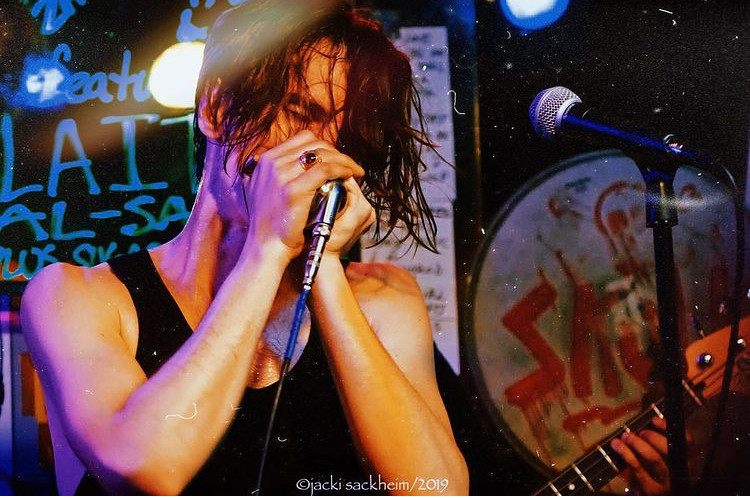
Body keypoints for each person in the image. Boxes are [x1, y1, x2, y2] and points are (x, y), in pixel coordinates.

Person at [20, 0, 469, 494]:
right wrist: (267, 249)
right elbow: (144, 469)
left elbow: (438, 491)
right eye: (300, 115)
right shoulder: (77, 297)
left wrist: (323, 267)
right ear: (216, 110)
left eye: (346, 143)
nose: (324, 160)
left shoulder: (381, 300)